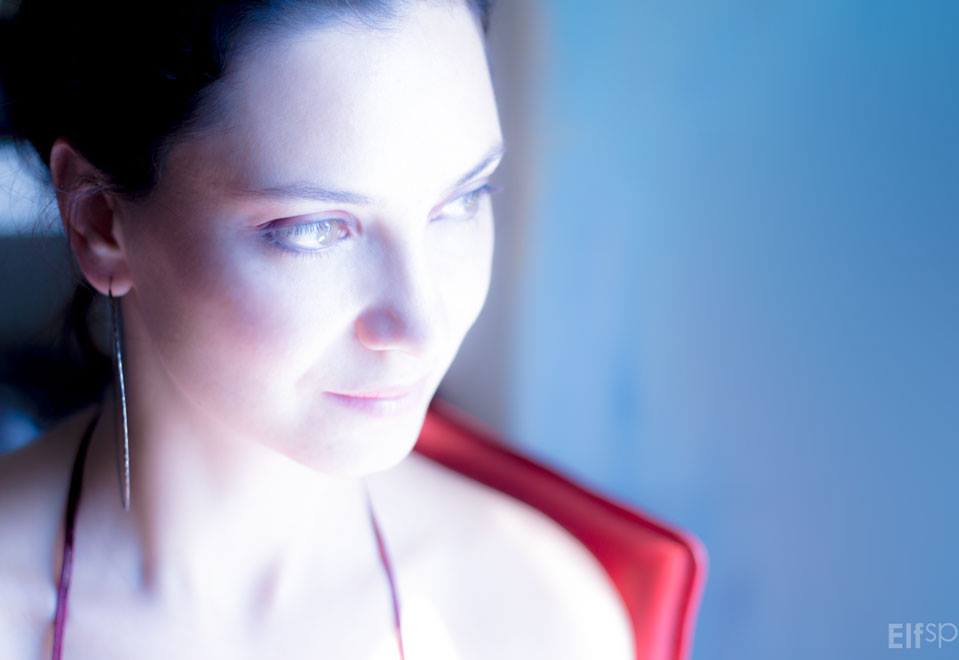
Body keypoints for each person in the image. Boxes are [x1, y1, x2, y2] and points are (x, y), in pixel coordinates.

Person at [0, 1, 637, 658]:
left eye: (462, 201)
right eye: (314, 231)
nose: (421, 325)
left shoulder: (532, 616)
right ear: (100, 222)